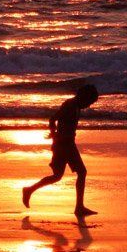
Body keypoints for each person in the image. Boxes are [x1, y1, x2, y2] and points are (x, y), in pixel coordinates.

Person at [22, 85, 99, 216]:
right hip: (65, 144)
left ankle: (29, 190)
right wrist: (53, 133)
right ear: (84, 97)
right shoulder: (70, 105)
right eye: (89, 102)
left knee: (57, 176)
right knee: (82, 172)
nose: (89, 105)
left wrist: (55, 135)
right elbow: (53, 118)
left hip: (64, 143)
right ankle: (79, 208)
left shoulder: (75, 106)